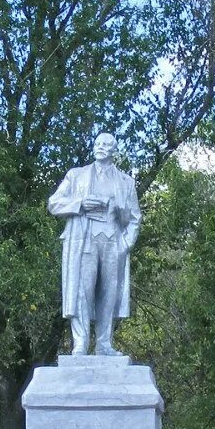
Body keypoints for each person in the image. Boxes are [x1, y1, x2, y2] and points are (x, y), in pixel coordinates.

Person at [48, 133, 141, 356]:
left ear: (113, 150)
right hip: (84, 240)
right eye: (98, 143)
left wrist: (125, 244)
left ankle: (104, 343)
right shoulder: (76, 176)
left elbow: (135, 218)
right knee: (82, 290)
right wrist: (79, 204)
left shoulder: (125, 182)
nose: (100, 147)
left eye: (106, 144)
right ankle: (80, 342)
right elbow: (54, 203)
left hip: (112, 242)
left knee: (108, 293)